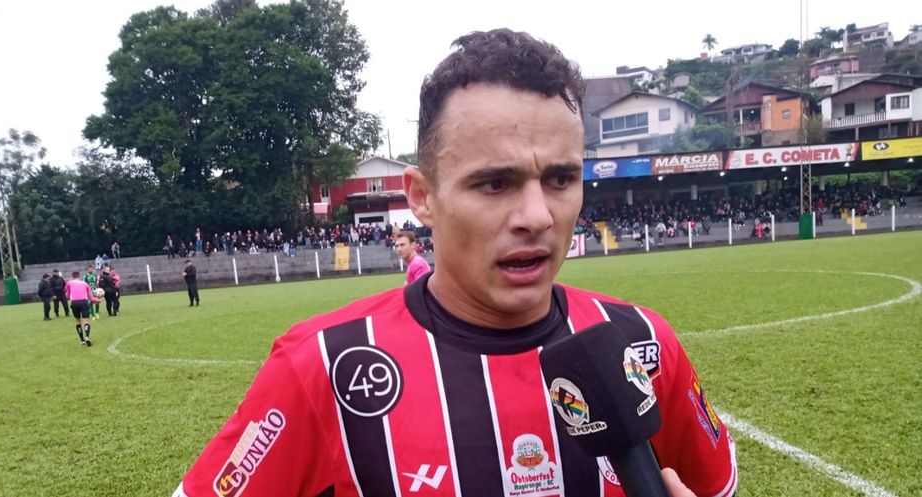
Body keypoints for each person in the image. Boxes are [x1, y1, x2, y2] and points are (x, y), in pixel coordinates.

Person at [171, 29, 735, 497]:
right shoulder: (320, 365)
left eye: (561, 178)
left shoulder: (642, 343)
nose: (538, 215)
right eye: (495, 183)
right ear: (422, 197)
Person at [65, 271, 97, 346]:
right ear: (79, 276)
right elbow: (91, 298)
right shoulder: (85, 284)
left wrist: (70, 296)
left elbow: (67, 296)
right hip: (84, 302)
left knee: (78, 321)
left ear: (72, 276)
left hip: (74, 303)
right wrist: (98, 300)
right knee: (86, 321)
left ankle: (82, 340)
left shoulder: (69, 283)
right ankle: (87, 337)